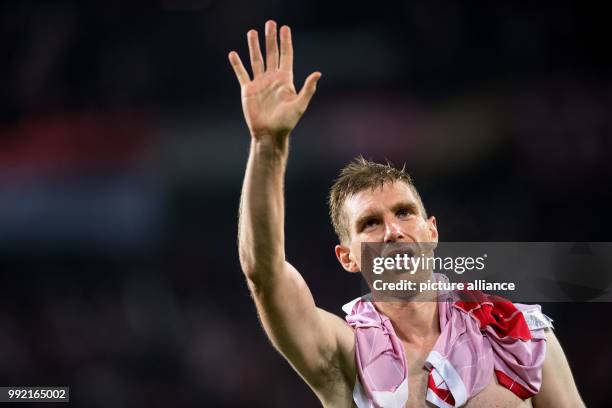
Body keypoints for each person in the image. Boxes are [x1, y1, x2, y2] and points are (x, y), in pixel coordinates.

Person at [229, 20, 585, 407]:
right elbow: (264, 274)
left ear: (432, 232)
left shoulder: (518, 335)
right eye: (369, 223)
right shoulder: (344, 355)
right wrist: (269, 145)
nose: (392, 231)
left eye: (404, 212)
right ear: (347, 256)